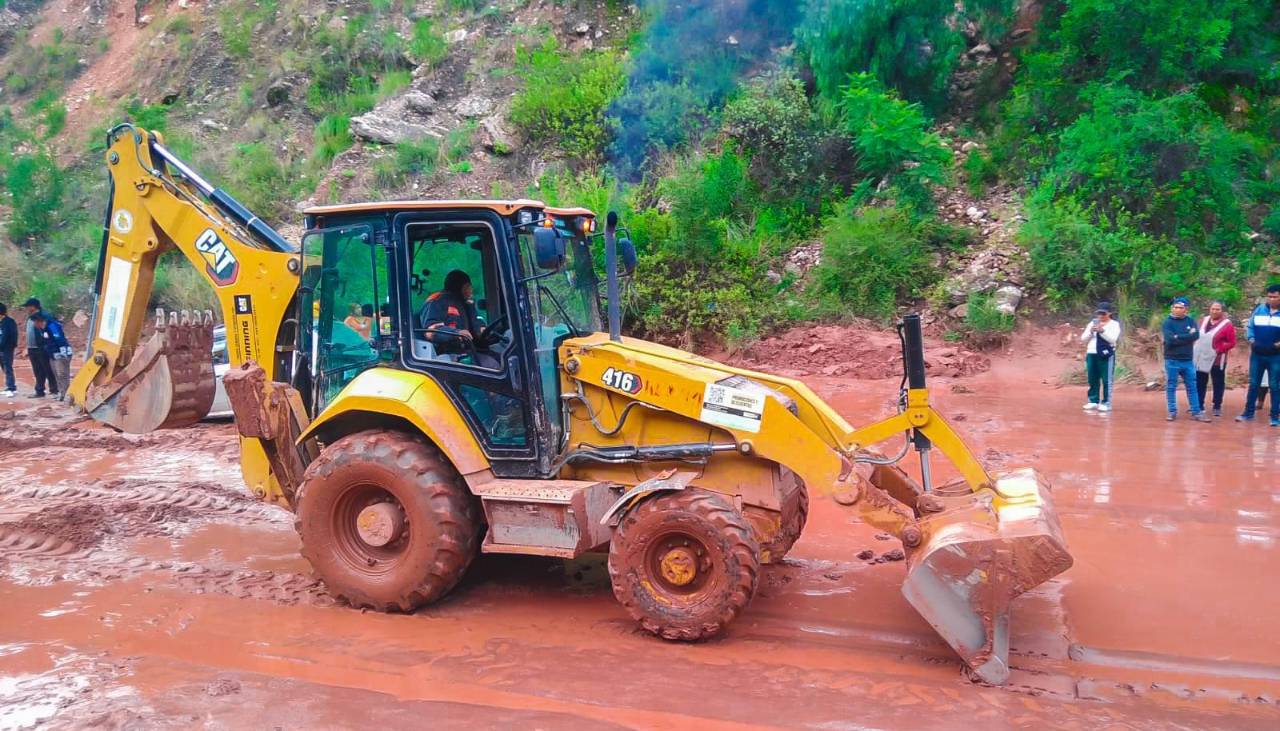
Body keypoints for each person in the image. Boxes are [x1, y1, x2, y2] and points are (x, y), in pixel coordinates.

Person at [419, 270, 500, 369]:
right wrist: (457, 333)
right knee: (493, 365)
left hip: (469, 350)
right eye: (468, 287)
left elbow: (476, 321)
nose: (471, 290)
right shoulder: (437, 301)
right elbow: (430, 330)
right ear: (460, 286)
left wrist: (482, 329)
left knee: (503, 358)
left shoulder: (465, 303)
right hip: (449, 353)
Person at [1236, 283, 1280, 426]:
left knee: (1275, 386)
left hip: (1275, 356)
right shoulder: (1259, 310)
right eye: (1269, 296)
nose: (1271, 299)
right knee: (1254, 384)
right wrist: (1252, 340)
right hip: (1257, 354)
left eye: (1275, 297)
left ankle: (1274, 417)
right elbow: (1250, 326)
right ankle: (1248, 413)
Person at [1162, 297, 1209, 422]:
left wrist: (1178, 337)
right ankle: (1172, 412)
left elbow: (1196, 335)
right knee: (1171, 386)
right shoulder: (1168, 322)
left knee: (1192, 386)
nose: (1177, 309)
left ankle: (1196, 412)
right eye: (1175, 307)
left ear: (1186, 309)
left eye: (1180, 307)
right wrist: (1187, 337)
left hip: (1187, 360)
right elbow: (1170, 339)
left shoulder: (1191, 321)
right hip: (1172, 359)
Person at [1193, 301, 1236, 417]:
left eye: (1217, 309)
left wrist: (1219, 349)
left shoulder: (1227, 324)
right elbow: (1196, 335)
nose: (1214, 311)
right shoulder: (1203, 320)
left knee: (1218, 382)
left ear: (1222, 311)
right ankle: (1199, 405)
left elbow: (1232, 342)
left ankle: (1217, 405)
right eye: (1213, 309)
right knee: (1200, 381)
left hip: (1217, 358)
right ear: (1209, 309)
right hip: (1201, 357)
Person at [1080, 301, 1121, 412]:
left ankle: (1106, 402)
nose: (1101, 316)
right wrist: (1090, 331)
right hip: (1091, 353)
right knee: (1092, 377)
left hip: (1106, 354)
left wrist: (1102, 331)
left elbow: (1113, 339)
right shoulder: (1092, 323)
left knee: (1106, 379)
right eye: (1099, 313)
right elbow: (1083, 339)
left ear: (1109, 313)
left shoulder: (1114, 324)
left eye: (1103, 313)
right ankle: (1093, 400)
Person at [31, 312, 72, 402]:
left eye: (34, 322)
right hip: (52, 355)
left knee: (62, 374)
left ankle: (67, 394)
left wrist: (63, 354)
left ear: (38, 321)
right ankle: (62, 393)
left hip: (60, 354)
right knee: (56, 374)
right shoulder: (42, 329)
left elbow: (60, 339)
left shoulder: (52, 326)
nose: (33, 324)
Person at [22, 297, 57, 398]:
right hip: (32, 348)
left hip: (42, 347)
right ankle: (39, 390)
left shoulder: (44, 316)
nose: (26, 308)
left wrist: (47, 343)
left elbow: (49, 330)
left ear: (33, 306)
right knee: (37, 370)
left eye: (27, 306)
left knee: (47, 368)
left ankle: (54, 389)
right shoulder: (30, 317)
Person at [0, 303, 17, 396]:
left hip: (7, 349)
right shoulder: (1, 322)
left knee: (8, 367)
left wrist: (11, 346)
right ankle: (9, 386)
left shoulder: (9, 322)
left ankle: (11, 388)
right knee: (4, 367)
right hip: (1, 349)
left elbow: (10, 336)